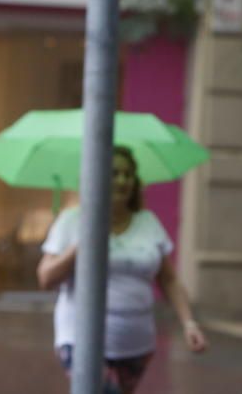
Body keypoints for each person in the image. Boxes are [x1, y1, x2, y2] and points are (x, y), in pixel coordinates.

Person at [37, 146, 207, 394]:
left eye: (128, 174)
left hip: (136, 343)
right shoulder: (72, 220)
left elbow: (169, 280)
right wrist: (83, 242)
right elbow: (45, 278)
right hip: (80, 339)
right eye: (114, 173)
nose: (122, 180)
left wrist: (189, 324)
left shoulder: (147, 222)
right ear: (96, 176)